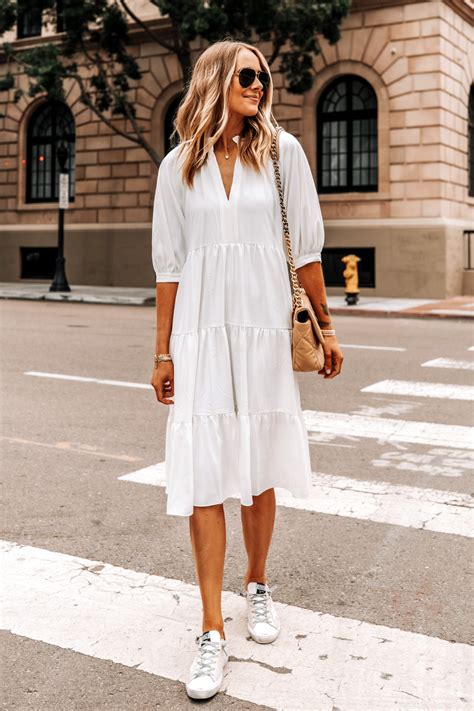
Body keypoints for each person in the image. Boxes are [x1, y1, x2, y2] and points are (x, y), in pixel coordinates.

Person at [150, 38, 343, 700]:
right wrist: (162, 350)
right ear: (216, 82)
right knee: (205, 470)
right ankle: (211, 628)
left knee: (258, 462)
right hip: (202, 334)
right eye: (248, 76)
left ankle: (257, 584)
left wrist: (327, 325)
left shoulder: (283, 155)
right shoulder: (179, 167)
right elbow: (169, 267)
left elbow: (308, 251)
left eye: (263, 77)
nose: (260, 87)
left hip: (263, 331)